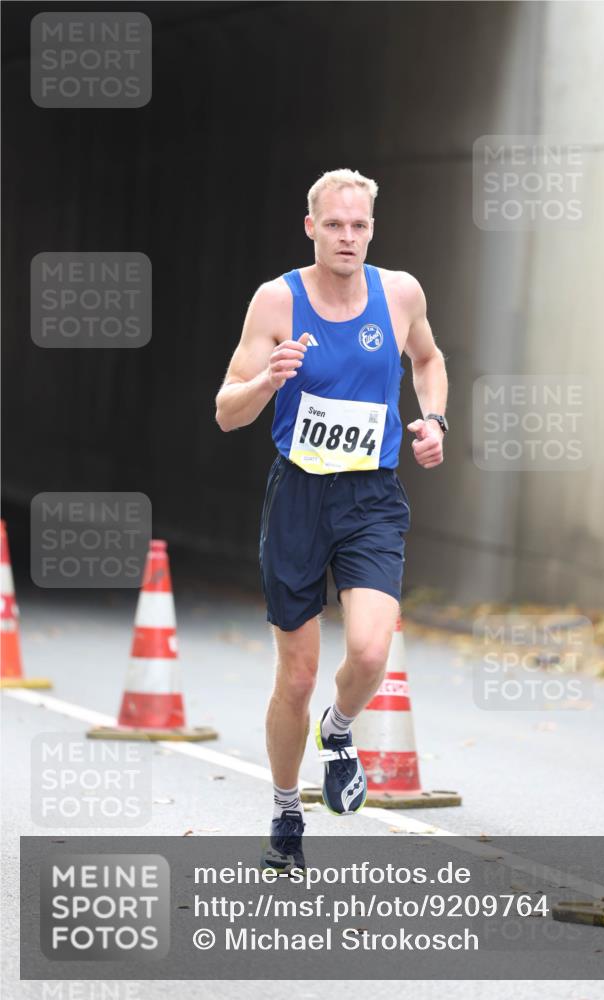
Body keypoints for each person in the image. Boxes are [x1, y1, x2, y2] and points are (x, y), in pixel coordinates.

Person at [215, 168, 448, 870]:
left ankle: (339, 731)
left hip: (371, 495)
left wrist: (432, 418)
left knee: (372, 651)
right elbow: (226, 411)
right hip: (298, 497)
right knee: (296, 675)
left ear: (371, 229)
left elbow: (429, 359)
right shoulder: (276, 301)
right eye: (334, 224)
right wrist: (266, 379)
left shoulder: (400, 292)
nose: (347, 236)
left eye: (360, 225)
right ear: (310, 226)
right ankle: (287, 813)